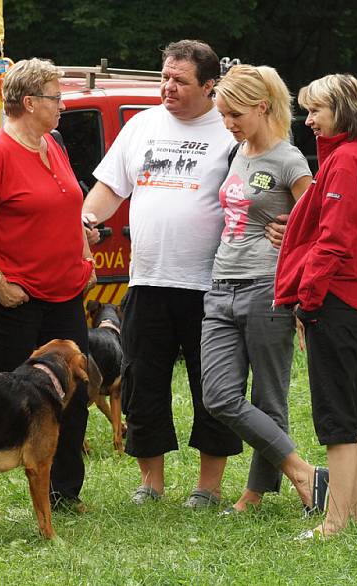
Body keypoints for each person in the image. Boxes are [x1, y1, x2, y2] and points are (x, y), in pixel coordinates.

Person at [81, 40, 241, 507]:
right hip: (148, 279)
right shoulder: (142, 125)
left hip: (211, 284)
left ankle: (208, 488)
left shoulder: (230, 129)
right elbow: (109, 187)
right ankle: (151, 483)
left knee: (213, 384)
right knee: (141, 383)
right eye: (165, 77)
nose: (168, 88)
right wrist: (88, 222)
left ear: (210, 86)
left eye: (180, 81)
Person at [0, 58, 95, 512]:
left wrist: (86, 256)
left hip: (65, 292)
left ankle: (64, 491)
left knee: (73, 392)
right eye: (56, 97)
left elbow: (69, 208)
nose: (63, 104)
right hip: (14, 297)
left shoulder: (53, 144)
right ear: (29, 102)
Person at [200, 63, 330, 515]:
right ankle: (304, 471)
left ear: (262, 106)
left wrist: (293, 230)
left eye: (235, 114)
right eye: (223, 115)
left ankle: (254, 494)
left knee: (268, 397)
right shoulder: (239, 153)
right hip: (220, 285)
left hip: (267, 288)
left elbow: (319, 224)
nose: (229, 124)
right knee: (218, 395)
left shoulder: (289, 160)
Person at [275, 74, 357, 539]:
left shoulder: (343, 162)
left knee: (336, 416)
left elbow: (334, 242)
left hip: (334, 299)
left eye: (318, 110)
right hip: (351, 297)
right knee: (351, 410)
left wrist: (307, 299)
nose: (310, 120)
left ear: (344, 109)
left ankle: (335, 522)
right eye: (307, 110)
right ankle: (354, 514)